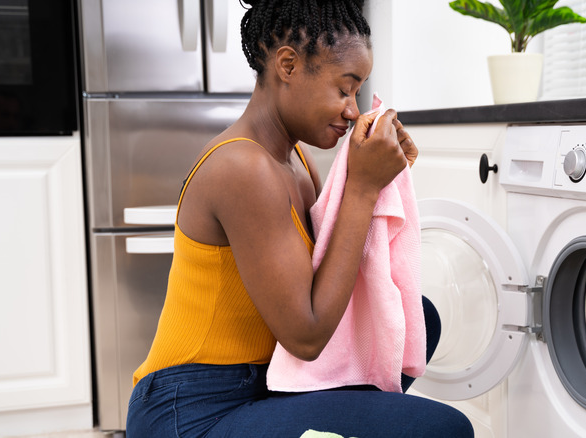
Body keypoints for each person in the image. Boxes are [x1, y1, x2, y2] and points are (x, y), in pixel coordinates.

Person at [125, 0, 474, 437]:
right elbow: (307, 337)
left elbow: (325, 285)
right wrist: (362, 189)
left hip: (267, 383)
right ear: (287, 65)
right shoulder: (243, 168)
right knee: (443, 429)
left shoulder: (296, 163)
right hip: (190, 409)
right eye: (344, 89)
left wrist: (382, 176)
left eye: (358, 93)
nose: (352, 109)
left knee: (418, 320)